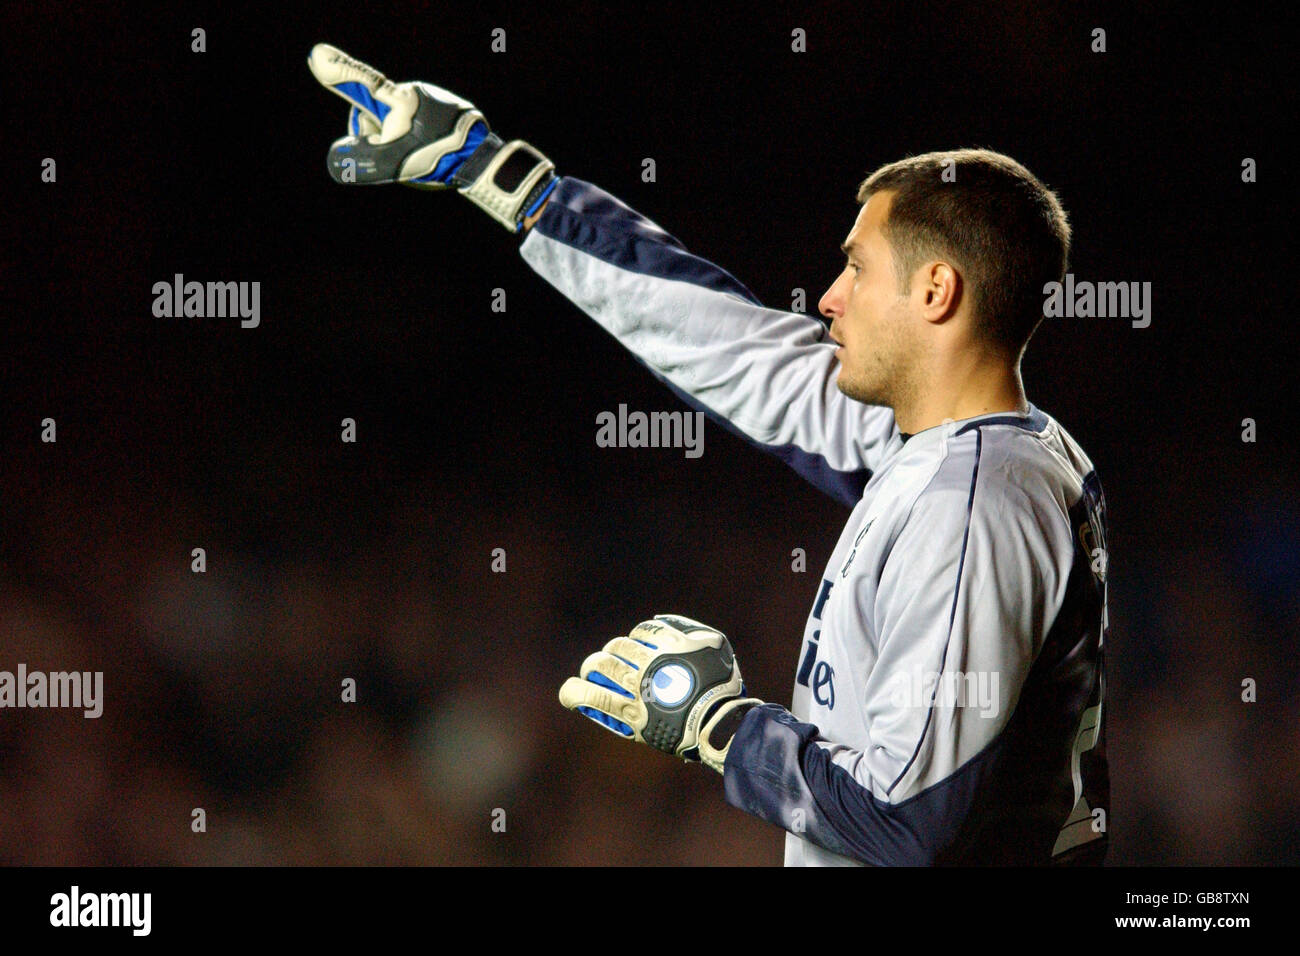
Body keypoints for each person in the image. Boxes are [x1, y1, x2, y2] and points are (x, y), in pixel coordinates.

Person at [308, 44, 1110, 866]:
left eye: (857, 267)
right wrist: (500, 177)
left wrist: (723, 728)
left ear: (936, 291)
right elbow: (729, 345)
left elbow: (910, 828)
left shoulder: (974, 504)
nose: (830, 295)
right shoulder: (962, 452)